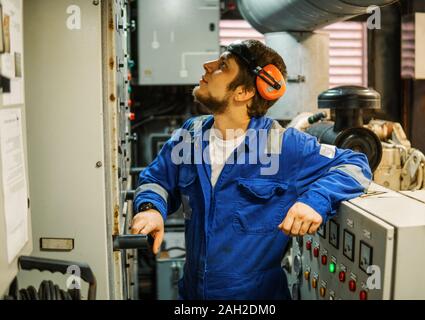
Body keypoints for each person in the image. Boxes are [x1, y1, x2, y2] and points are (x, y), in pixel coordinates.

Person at [131, 40, 372, 300]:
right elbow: (156, 179)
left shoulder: (283, 146)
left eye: (222, 66)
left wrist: (315, 201)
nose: (208, 66)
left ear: (244, 92)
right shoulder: (190, 135)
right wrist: (151, 209)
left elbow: (355, 164)